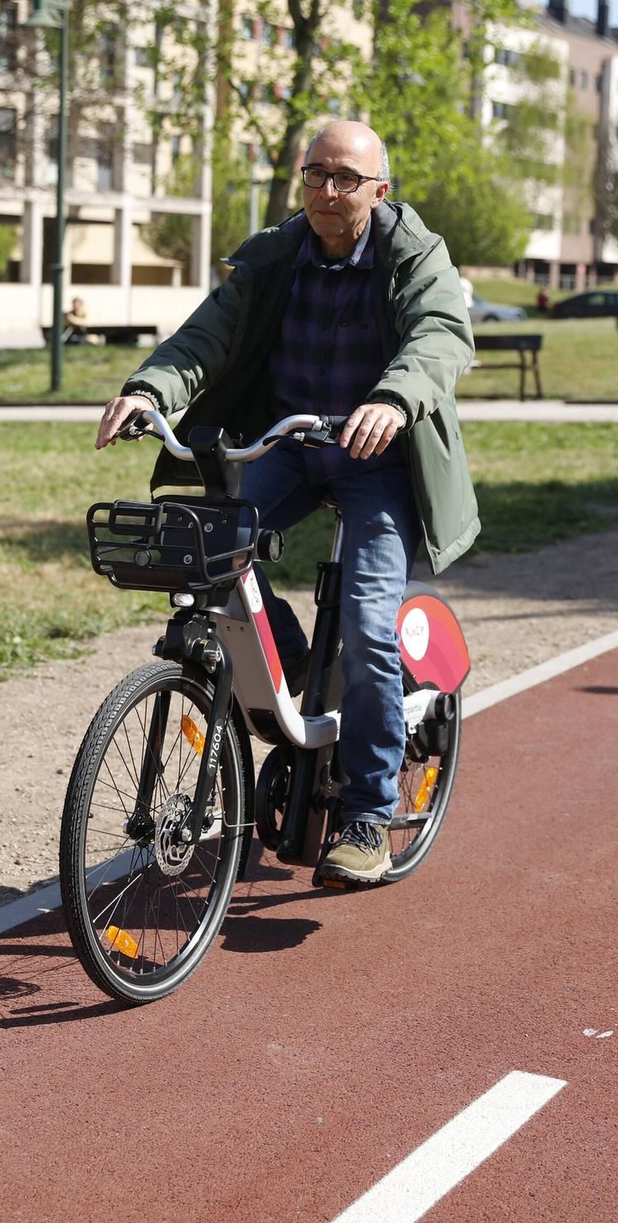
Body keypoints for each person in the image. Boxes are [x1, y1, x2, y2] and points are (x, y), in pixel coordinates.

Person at [94, 121, 478, 885]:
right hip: (289, 443)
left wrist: (395, 400)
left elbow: (440, 336)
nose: (328, 192)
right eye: (316, 176)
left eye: (345, 179)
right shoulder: (275, 254)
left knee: (370, 624)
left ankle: (367, 816)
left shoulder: (414, 256)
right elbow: (202, 338)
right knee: (207, 549)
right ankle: (296, 656)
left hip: (378, 457)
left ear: (380, 190)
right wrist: (147, 389)